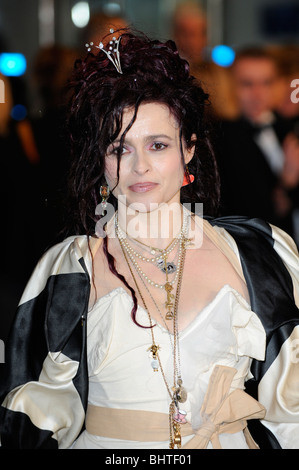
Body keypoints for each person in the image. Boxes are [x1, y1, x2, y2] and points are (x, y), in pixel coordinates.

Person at [0, 30, 299, 450]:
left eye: (157, 145)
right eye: (119, 149)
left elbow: (291, 412)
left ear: (188, 150)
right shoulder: (69, 268)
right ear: (100, 161)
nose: (140, 166)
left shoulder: (258, 254)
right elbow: (36, 412)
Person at [217, 47, 299, 243]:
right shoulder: (221, 139)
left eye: (266, 83)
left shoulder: (287, 128)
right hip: (253, 251)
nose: (258, 93)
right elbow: (249, 214)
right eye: (247, 84)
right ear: (230, 85)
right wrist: (287, 183)